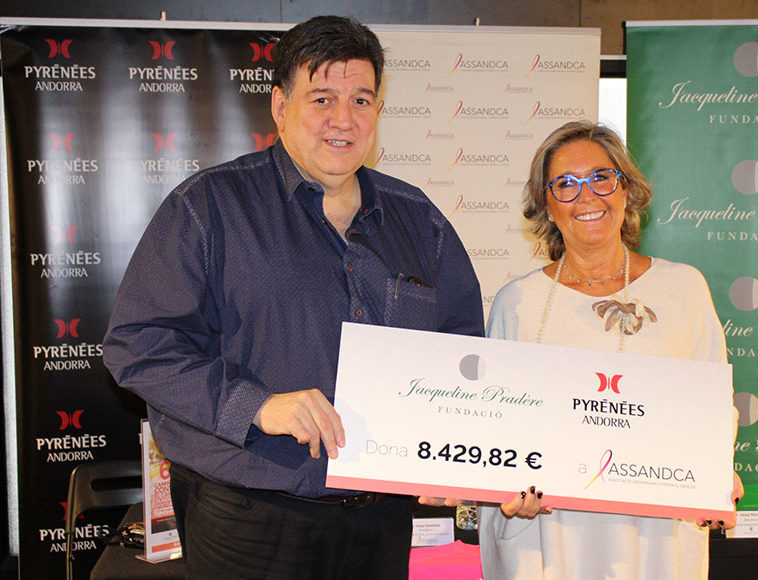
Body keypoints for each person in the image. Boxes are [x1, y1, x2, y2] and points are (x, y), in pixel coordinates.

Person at [102, 15, 483, 580]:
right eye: (322, 98)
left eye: (361, 100)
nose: (343, 119)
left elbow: (463, 353)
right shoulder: (208, 208)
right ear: (280, 106)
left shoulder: (420, 221)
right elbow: (138, 347)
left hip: (382, 522)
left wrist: (452, 449)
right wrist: (257, 406)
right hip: (250, 521)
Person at [477, 120, 741, 580]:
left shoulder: (683, 289)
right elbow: (495, 424)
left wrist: (713, 468)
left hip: (655, 535)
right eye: (565, 184)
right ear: (546, 205)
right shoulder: (518, 303)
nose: (586, 196)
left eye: (601, 177)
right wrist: (507, 485)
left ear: (626, 190)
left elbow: (714, 408)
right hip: (548, 534)